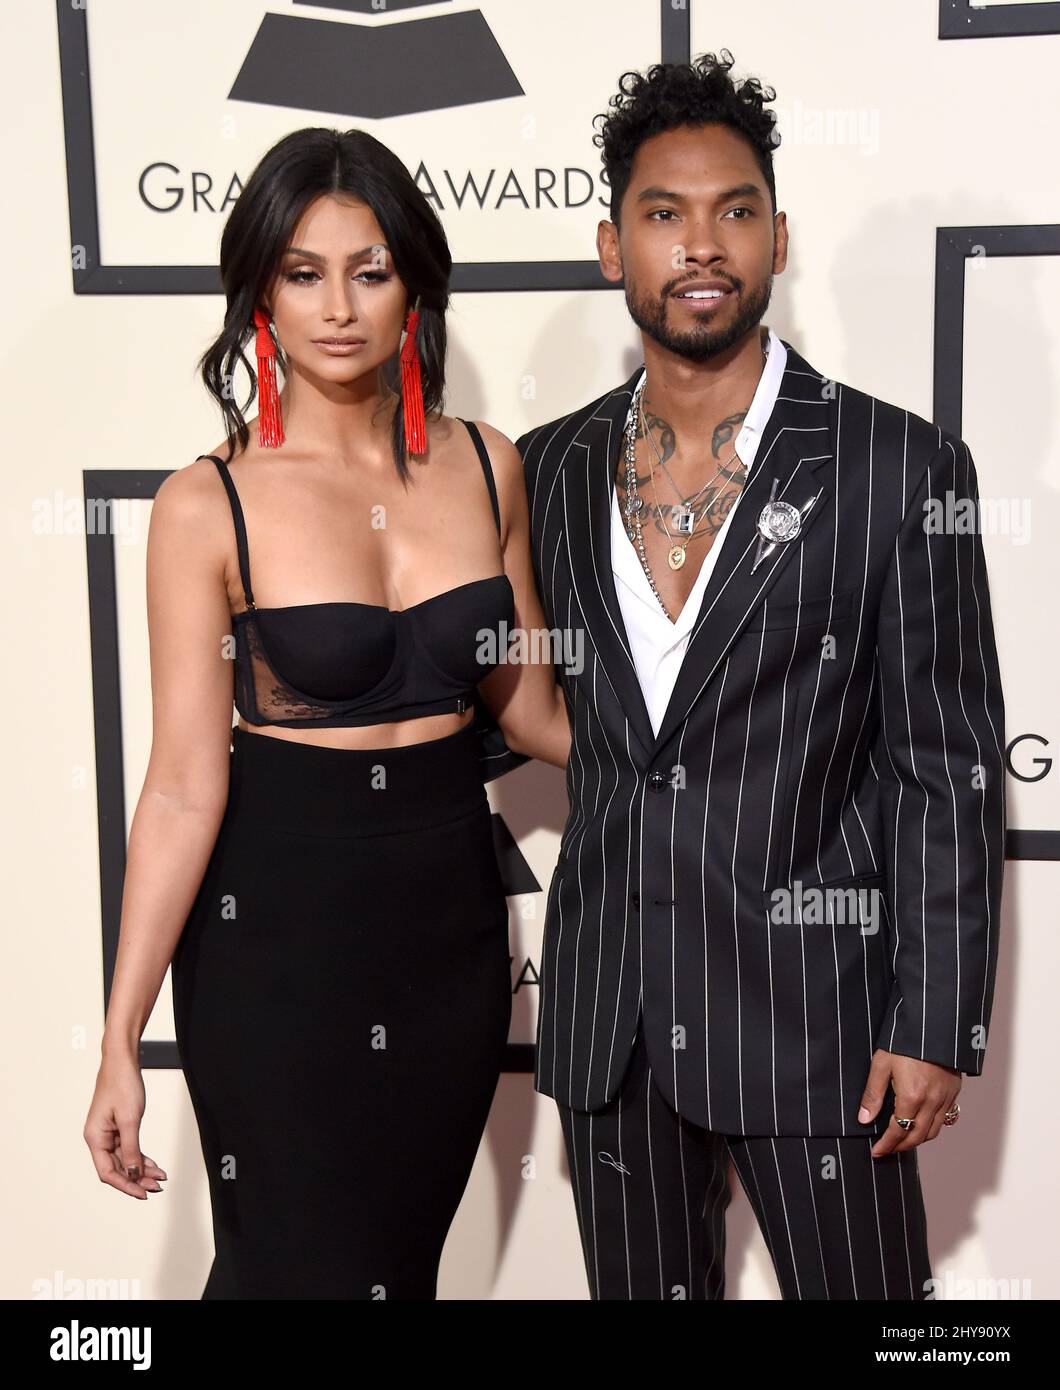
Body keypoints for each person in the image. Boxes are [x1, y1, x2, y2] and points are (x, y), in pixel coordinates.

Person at [516, 51, 1006, 1300]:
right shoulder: (547, 471)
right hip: (611, 1022)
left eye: (734, 210)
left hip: (819, 1022)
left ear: (777, 235)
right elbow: (534, 711)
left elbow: (943, 762)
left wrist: (930, 1018)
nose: (700, 245)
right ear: (609, 243)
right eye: (662, 214)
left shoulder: (897, 464)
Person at [83, 126, 570, 1300]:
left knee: (394, 1272)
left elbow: (540, 713)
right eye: (303, 273)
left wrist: (731, 733)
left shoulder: (487, 464)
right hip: (277, 946)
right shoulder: (207, 504)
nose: (338, 306)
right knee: (289, 1268)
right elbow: (186, 784)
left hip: (447, 939)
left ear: (416, 284)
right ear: (260, 289)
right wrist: (117, 1039)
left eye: (371, 269)